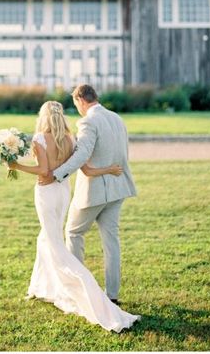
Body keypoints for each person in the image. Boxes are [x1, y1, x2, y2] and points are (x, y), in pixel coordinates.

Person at [8, 99, 140, 332]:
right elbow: (86, 169)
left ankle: (86, 290)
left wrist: (16, 166)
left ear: (43, 116)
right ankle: (39, 287)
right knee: (46, 238)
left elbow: (43, 172)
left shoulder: (39, 138)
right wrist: (109, 169)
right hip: (63, 192)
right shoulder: (71, 139)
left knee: (55, 242)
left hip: (47, 193)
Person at [39, 84, 138, 306]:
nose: (78, 109)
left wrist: (56, 174)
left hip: (95, 191)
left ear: (80, 100)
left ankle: (79, 292)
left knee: (73, 232)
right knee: (111, 241)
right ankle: (111, 295)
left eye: (76, 104)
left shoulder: (88, 122)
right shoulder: (116, 118)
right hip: (118, 187)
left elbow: (81, 154)